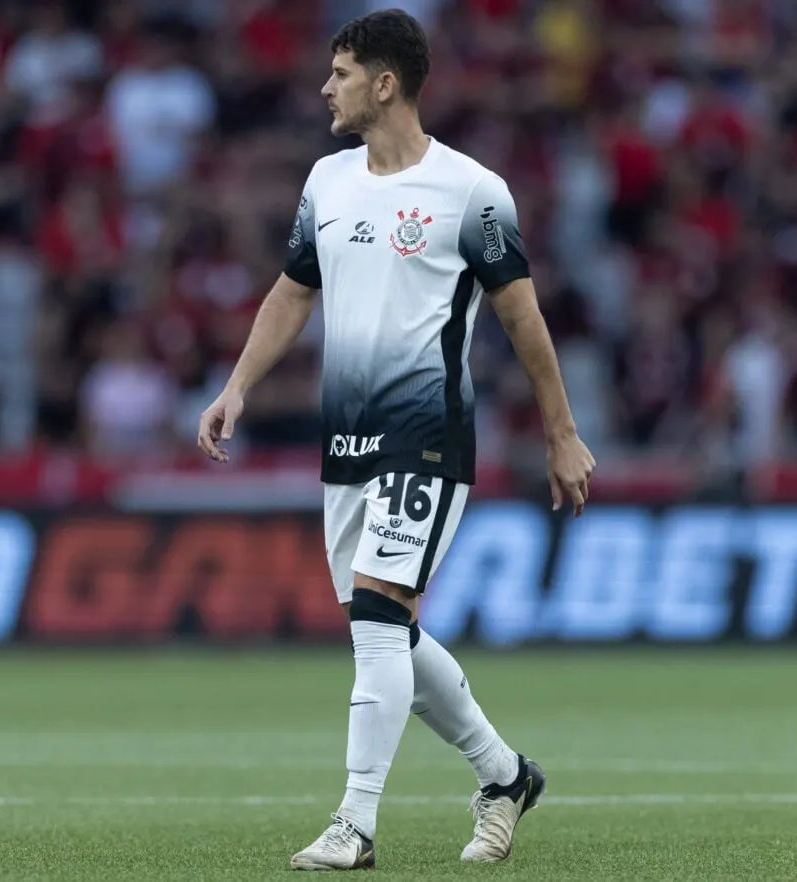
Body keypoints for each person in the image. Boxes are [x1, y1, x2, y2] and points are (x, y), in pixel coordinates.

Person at [198, 8, 595, 871]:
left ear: (385, 83)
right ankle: (504, 775)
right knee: (388, 634)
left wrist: (562, 433)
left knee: (380, 612)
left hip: (428, 436)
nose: (324, 88)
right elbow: (291, 293)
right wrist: (237, 386)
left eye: (339, 73)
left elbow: (522, 318)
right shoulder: (327, 181)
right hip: (345, 441)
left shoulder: (472, 189)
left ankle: (355, 822)